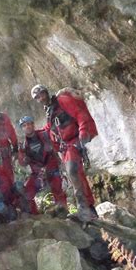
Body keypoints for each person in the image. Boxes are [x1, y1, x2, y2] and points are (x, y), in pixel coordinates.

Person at [30, 84, 98, 222]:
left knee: (73, 171)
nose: (41, 98)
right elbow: (49, 129)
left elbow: (80, 114)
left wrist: (84, 131)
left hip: (74, 140)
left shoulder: (62, 101)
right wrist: (33, 135)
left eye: (42, 94)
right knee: (75, 173)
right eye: (38, 97)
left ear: (46, 92)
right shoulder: (49, 111)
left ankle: (84, 208)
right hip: (66, 146)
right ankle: (89, 209)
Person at [17, 116, 68, 215]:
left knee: (58, 189)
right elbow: (22, 162)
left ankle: (63, 212)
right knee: (26, 192)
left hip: (52, 170)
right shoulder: (23, 146)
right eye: (24, 125)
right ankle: (35, 216)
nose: (27, 127)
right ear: (22, 129)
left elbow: (56, 148)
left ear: (33, 125)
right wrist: (24, 159)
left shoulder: (45, 135)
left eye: (29, 124)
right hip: (38, 175)